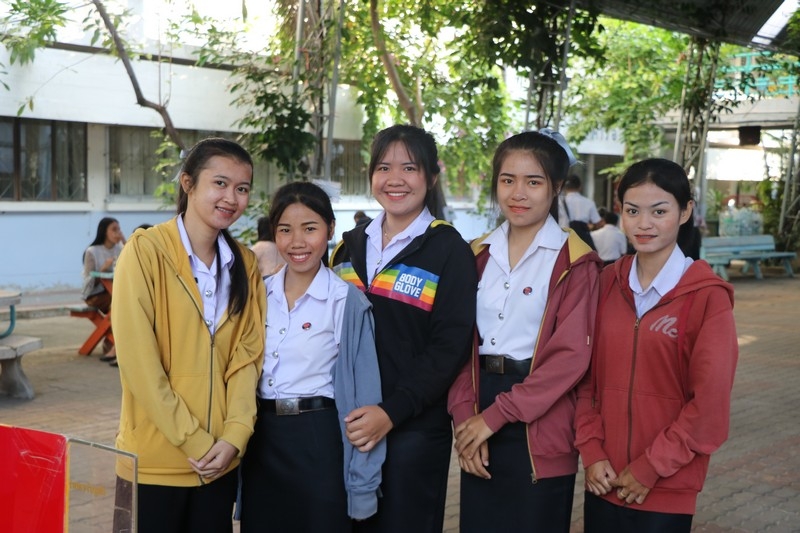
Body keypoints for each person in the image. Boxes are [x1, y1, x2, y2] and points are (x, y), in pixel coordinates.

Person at [448, 130, 602, 533]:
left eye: (533, 182)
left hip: (540, 418)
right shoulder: (475, 254)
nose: (518, 193)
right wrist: (466, 421)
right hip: (478, 412)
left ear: (556, 187)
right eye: (507, 180)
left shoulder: (576, 262)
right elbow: (457, 345)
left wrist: (494, 417)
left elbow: (570, 358)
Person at [110, 138, 266, 533]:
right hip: (154, 464)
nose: (231, 198)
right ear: (188, 183)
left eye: (242, 188)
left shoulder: (246, 265)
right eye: (220, 183)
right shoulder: (145, 252)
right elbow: (139, 364)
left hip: (220, 464)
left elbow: (247, 359)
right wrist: (196, 442)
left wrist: (235, 436)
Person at [575, 158, 738, 533]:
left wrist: (651, 468)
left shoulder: (707, 298)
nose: (643, 223)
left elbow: (710, 406)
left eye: (659, 211)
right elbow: (585, 381)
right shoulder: (605, 283)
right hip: (604, 478)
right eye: (632, 211)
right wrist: (592, 450)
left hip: (667, 486)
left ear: (686, 212)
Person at [330, 124, 478, 532]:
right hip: (349, 428)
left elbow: (449, 347)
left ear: (432, 177)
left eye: (409, 168)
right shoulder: (346, 248)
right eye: (383, 168)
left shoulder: (449, 250)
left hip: (413, 432)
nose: (394, 179)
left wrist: (390, 412)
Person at [240, 181, 385, 531]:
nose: (297, 242)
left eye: (309, 228)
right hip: (262, 439)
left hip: (319, 441)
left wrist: (364, 483)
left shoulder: (346, 302)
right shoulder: (258, 295)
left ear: (330, 229)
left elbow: (365, 399)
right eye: (285, 230)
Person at [81, 217, 125, 362]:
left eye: (119, 229)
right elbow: (87, 282)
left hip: (114, 293)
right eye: (114, 229)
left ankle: (114, 346)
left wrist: (124, 240)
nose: (117, 233)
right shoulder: (92, 251)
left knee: (124, 304)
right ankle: (116, 347)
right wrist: (102, 269)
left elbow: (134, 259)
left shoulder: (120, 249)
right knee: (121, 305)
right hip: (95, 295)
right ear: (104, 232)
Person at [560, 174, 601, 250]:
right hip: (583, 240)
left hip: (564, 239)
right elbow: (598, 223)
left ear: (564, 187)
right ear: (580, 187)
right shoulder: (589, 202)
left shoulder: (560, 203)